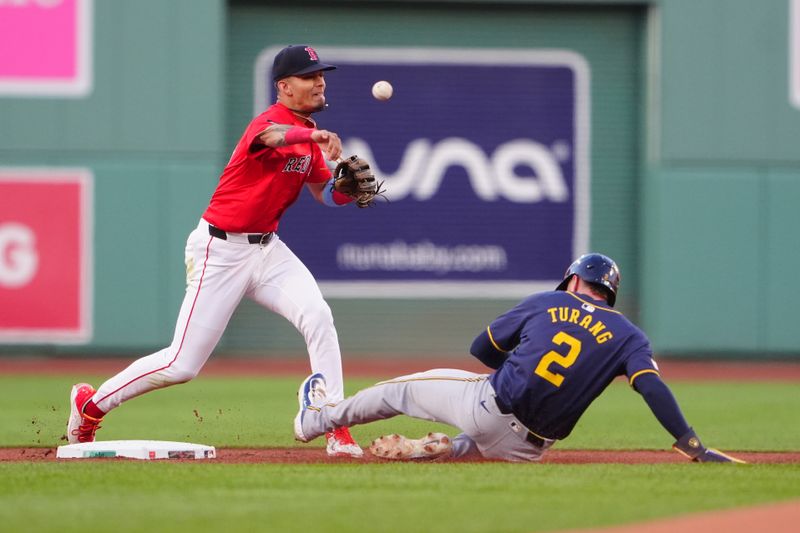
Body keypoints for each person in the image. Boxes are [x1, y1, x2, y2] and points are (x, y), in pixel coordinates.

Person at [66, 45, 369, 458]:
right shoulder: (269, 124)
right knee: (181, 365)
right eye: (309, 75)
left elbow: (325, 196)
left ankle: (335, 424)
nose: (319, 81)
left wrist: (345, 192)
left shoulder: (309, 138)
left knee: (318, 315)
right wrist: (310, 134)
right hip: (220, 250)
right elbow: (272, 138)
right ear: (284, 86)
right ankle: (92, 404)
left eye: (321, 74)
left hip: (268, 250)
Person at [293, 253, 744, 463]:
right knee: (482, 446)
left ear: (571, 281)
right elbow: (653, 388)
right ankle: (447, 448)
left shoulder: (548, 301)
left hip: (490, 405)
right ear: (610, 295)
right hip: (531, 449)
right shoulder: (629, 337)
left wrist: (522, 357)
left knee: (397, 391)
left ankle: (314, 421)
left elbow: (481, 350)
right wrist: (691, 444)